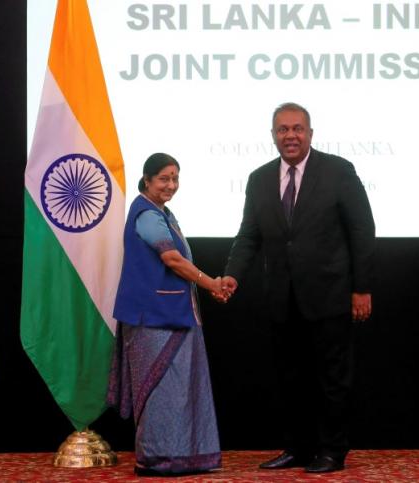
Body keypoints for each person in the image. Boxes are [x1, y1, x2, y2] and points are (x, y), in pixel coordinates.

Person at [221, 103, 376, 473]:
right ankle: (297, 449)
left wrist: (362, 288)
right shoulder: (259, 179)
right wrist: (232, 275)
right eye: (282, 130)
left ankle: (332, 451)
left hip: (330, 295)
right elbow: (248, 235)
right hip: (281, 298)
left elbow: (362, 231)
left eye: (297, 129)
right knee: (291, 380)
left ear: (310, 133)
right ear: (273, 135)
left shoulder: (339, 171)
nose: (290, 136)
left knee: (331, 379)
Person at [107, 153, 225, 477]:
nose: (171, 185)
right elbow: (171, 259)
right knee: (159, 391)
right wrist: (211, 283)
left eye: (175, 178)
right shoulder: (146, 214)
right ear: (147, 180)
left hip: (170, 315)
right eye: (164, 178)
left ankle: (181, 457)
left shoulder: (162, 213)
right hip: (153, 320)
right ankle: (157, 459)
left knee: (178, 390)